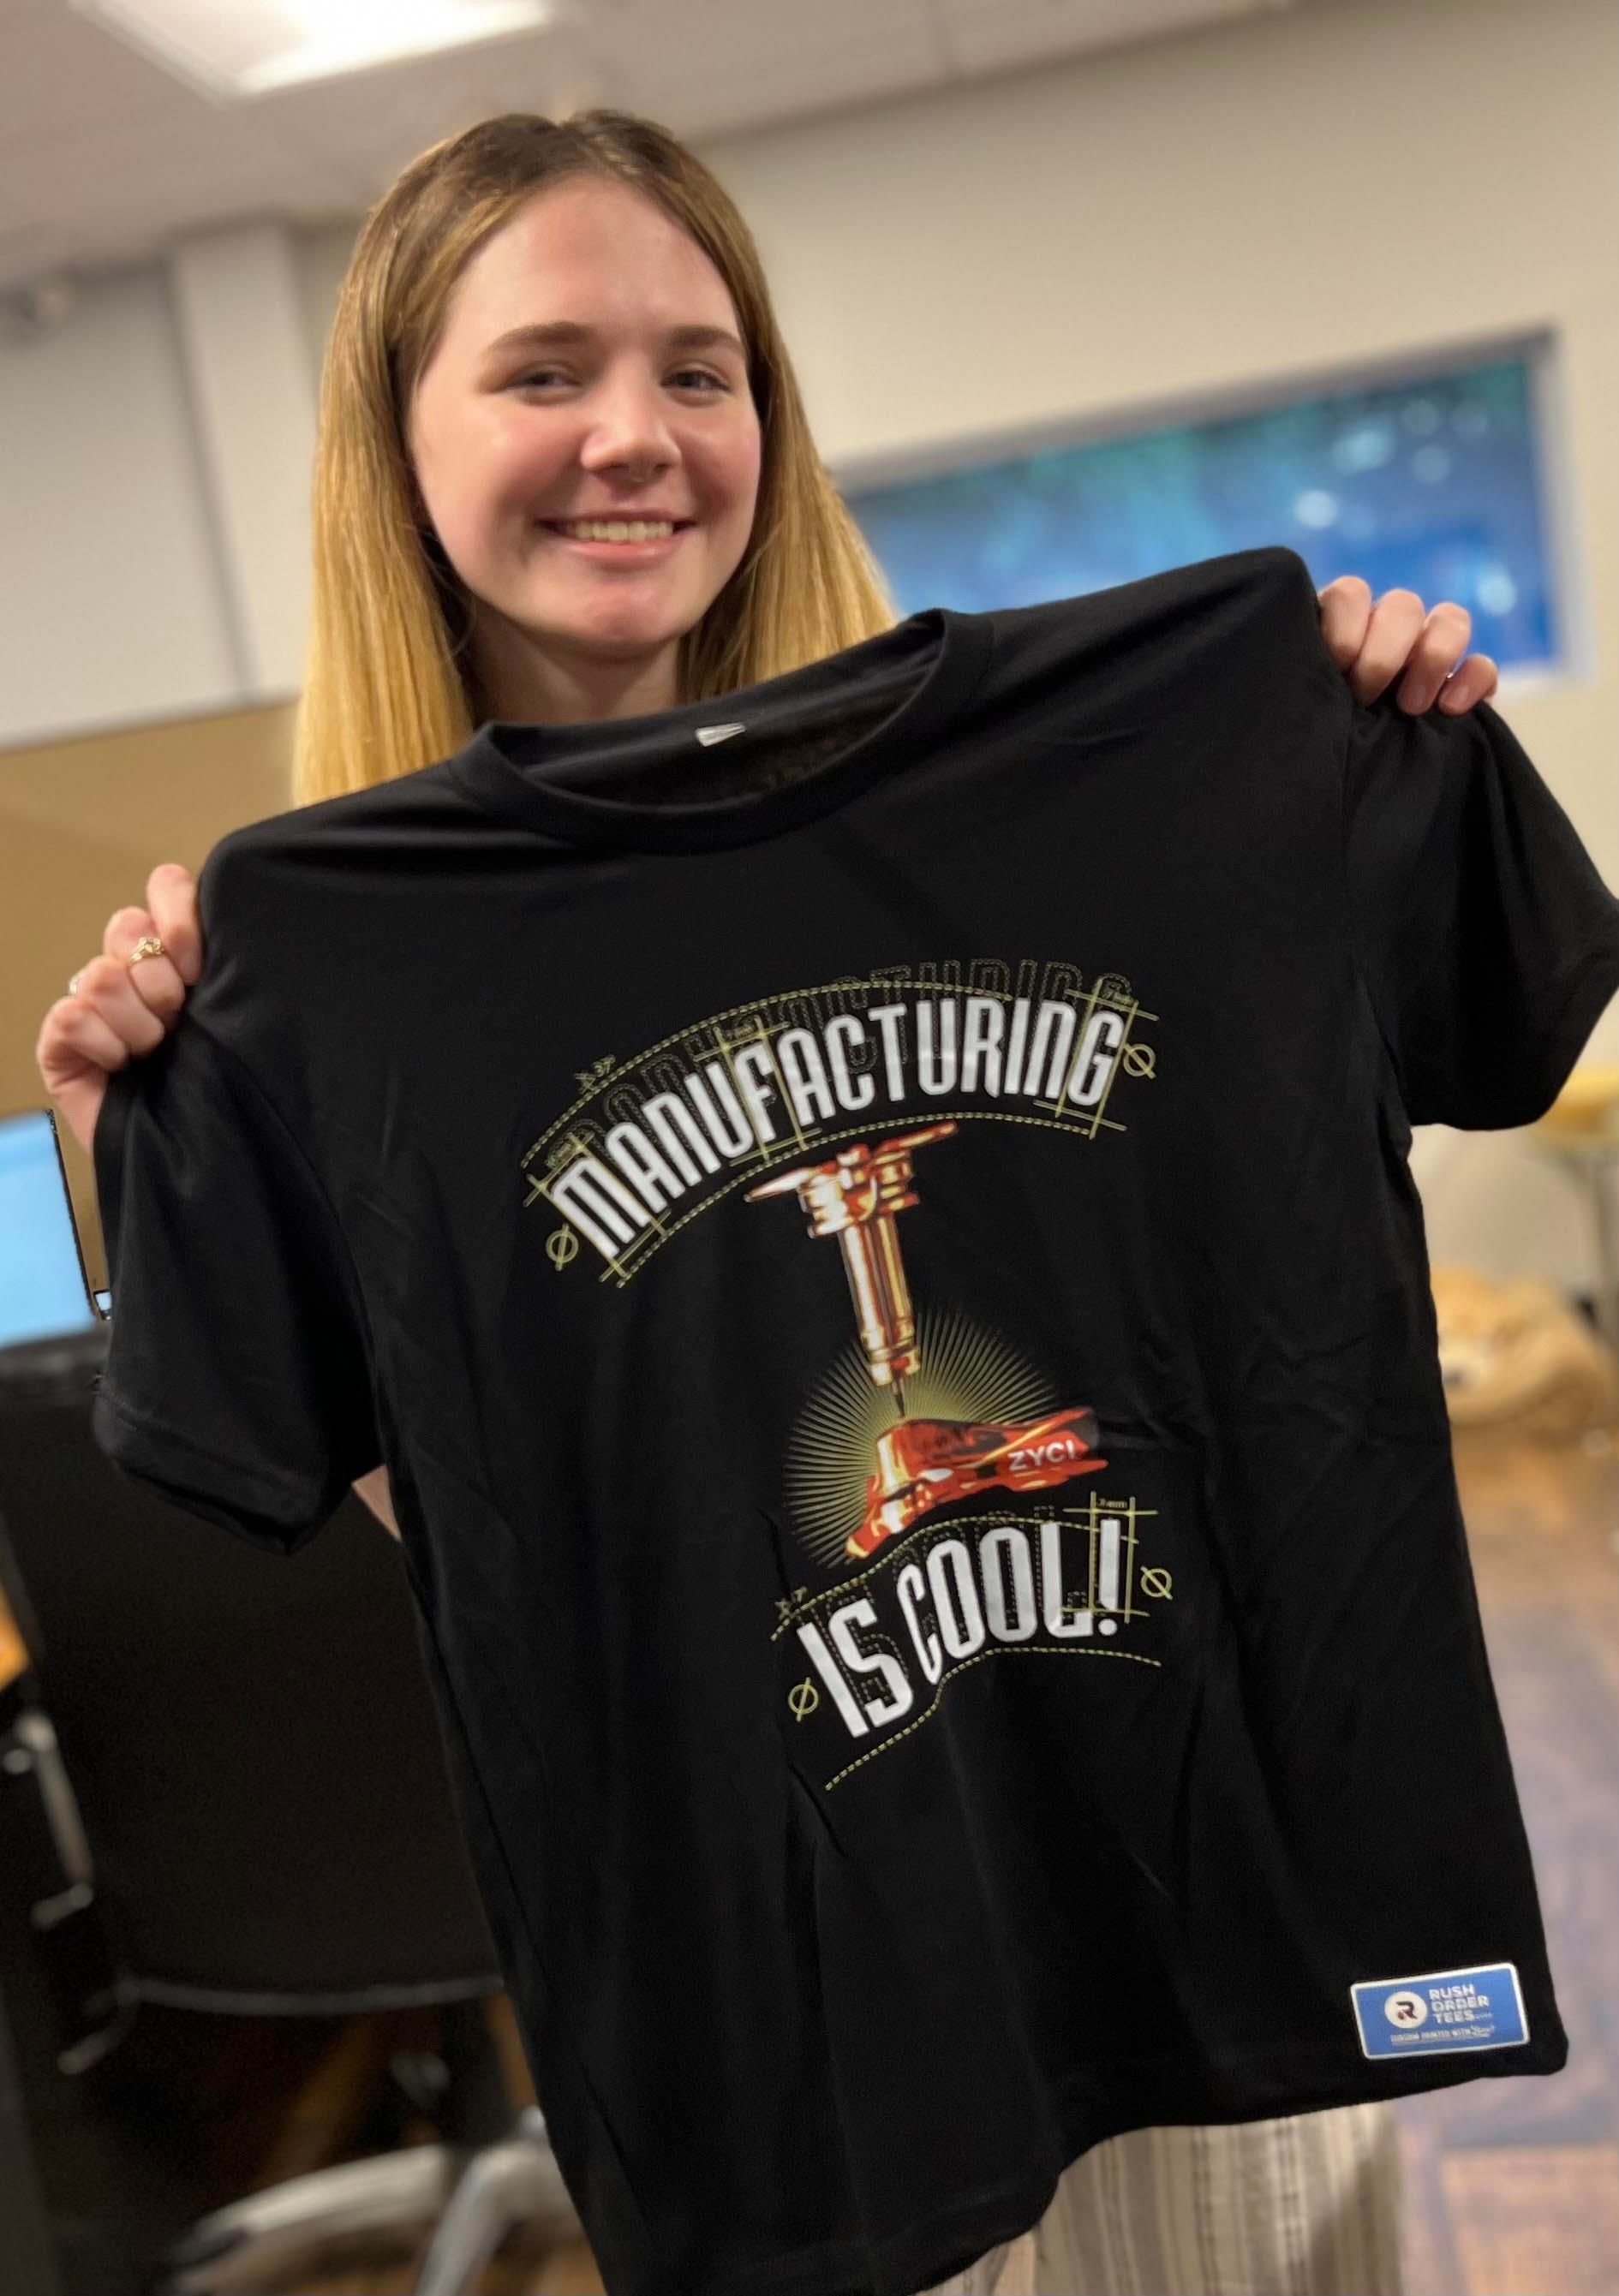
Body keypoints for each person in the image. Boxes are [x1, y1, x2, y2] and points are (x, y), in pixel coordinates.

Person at [34, 109, 1502, 2296]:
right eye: (544, 371)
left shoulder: (1098, 785)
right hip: (803, 2015)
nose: (634, 434)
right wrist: (148, 1159)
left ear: (766, 422)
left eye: (698, 370)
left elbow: (1410, 1075)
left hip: (1212, 1915)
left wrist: (1356, 753)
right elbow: (483, 1514)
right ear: (399, 448)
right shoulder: (334, 969)